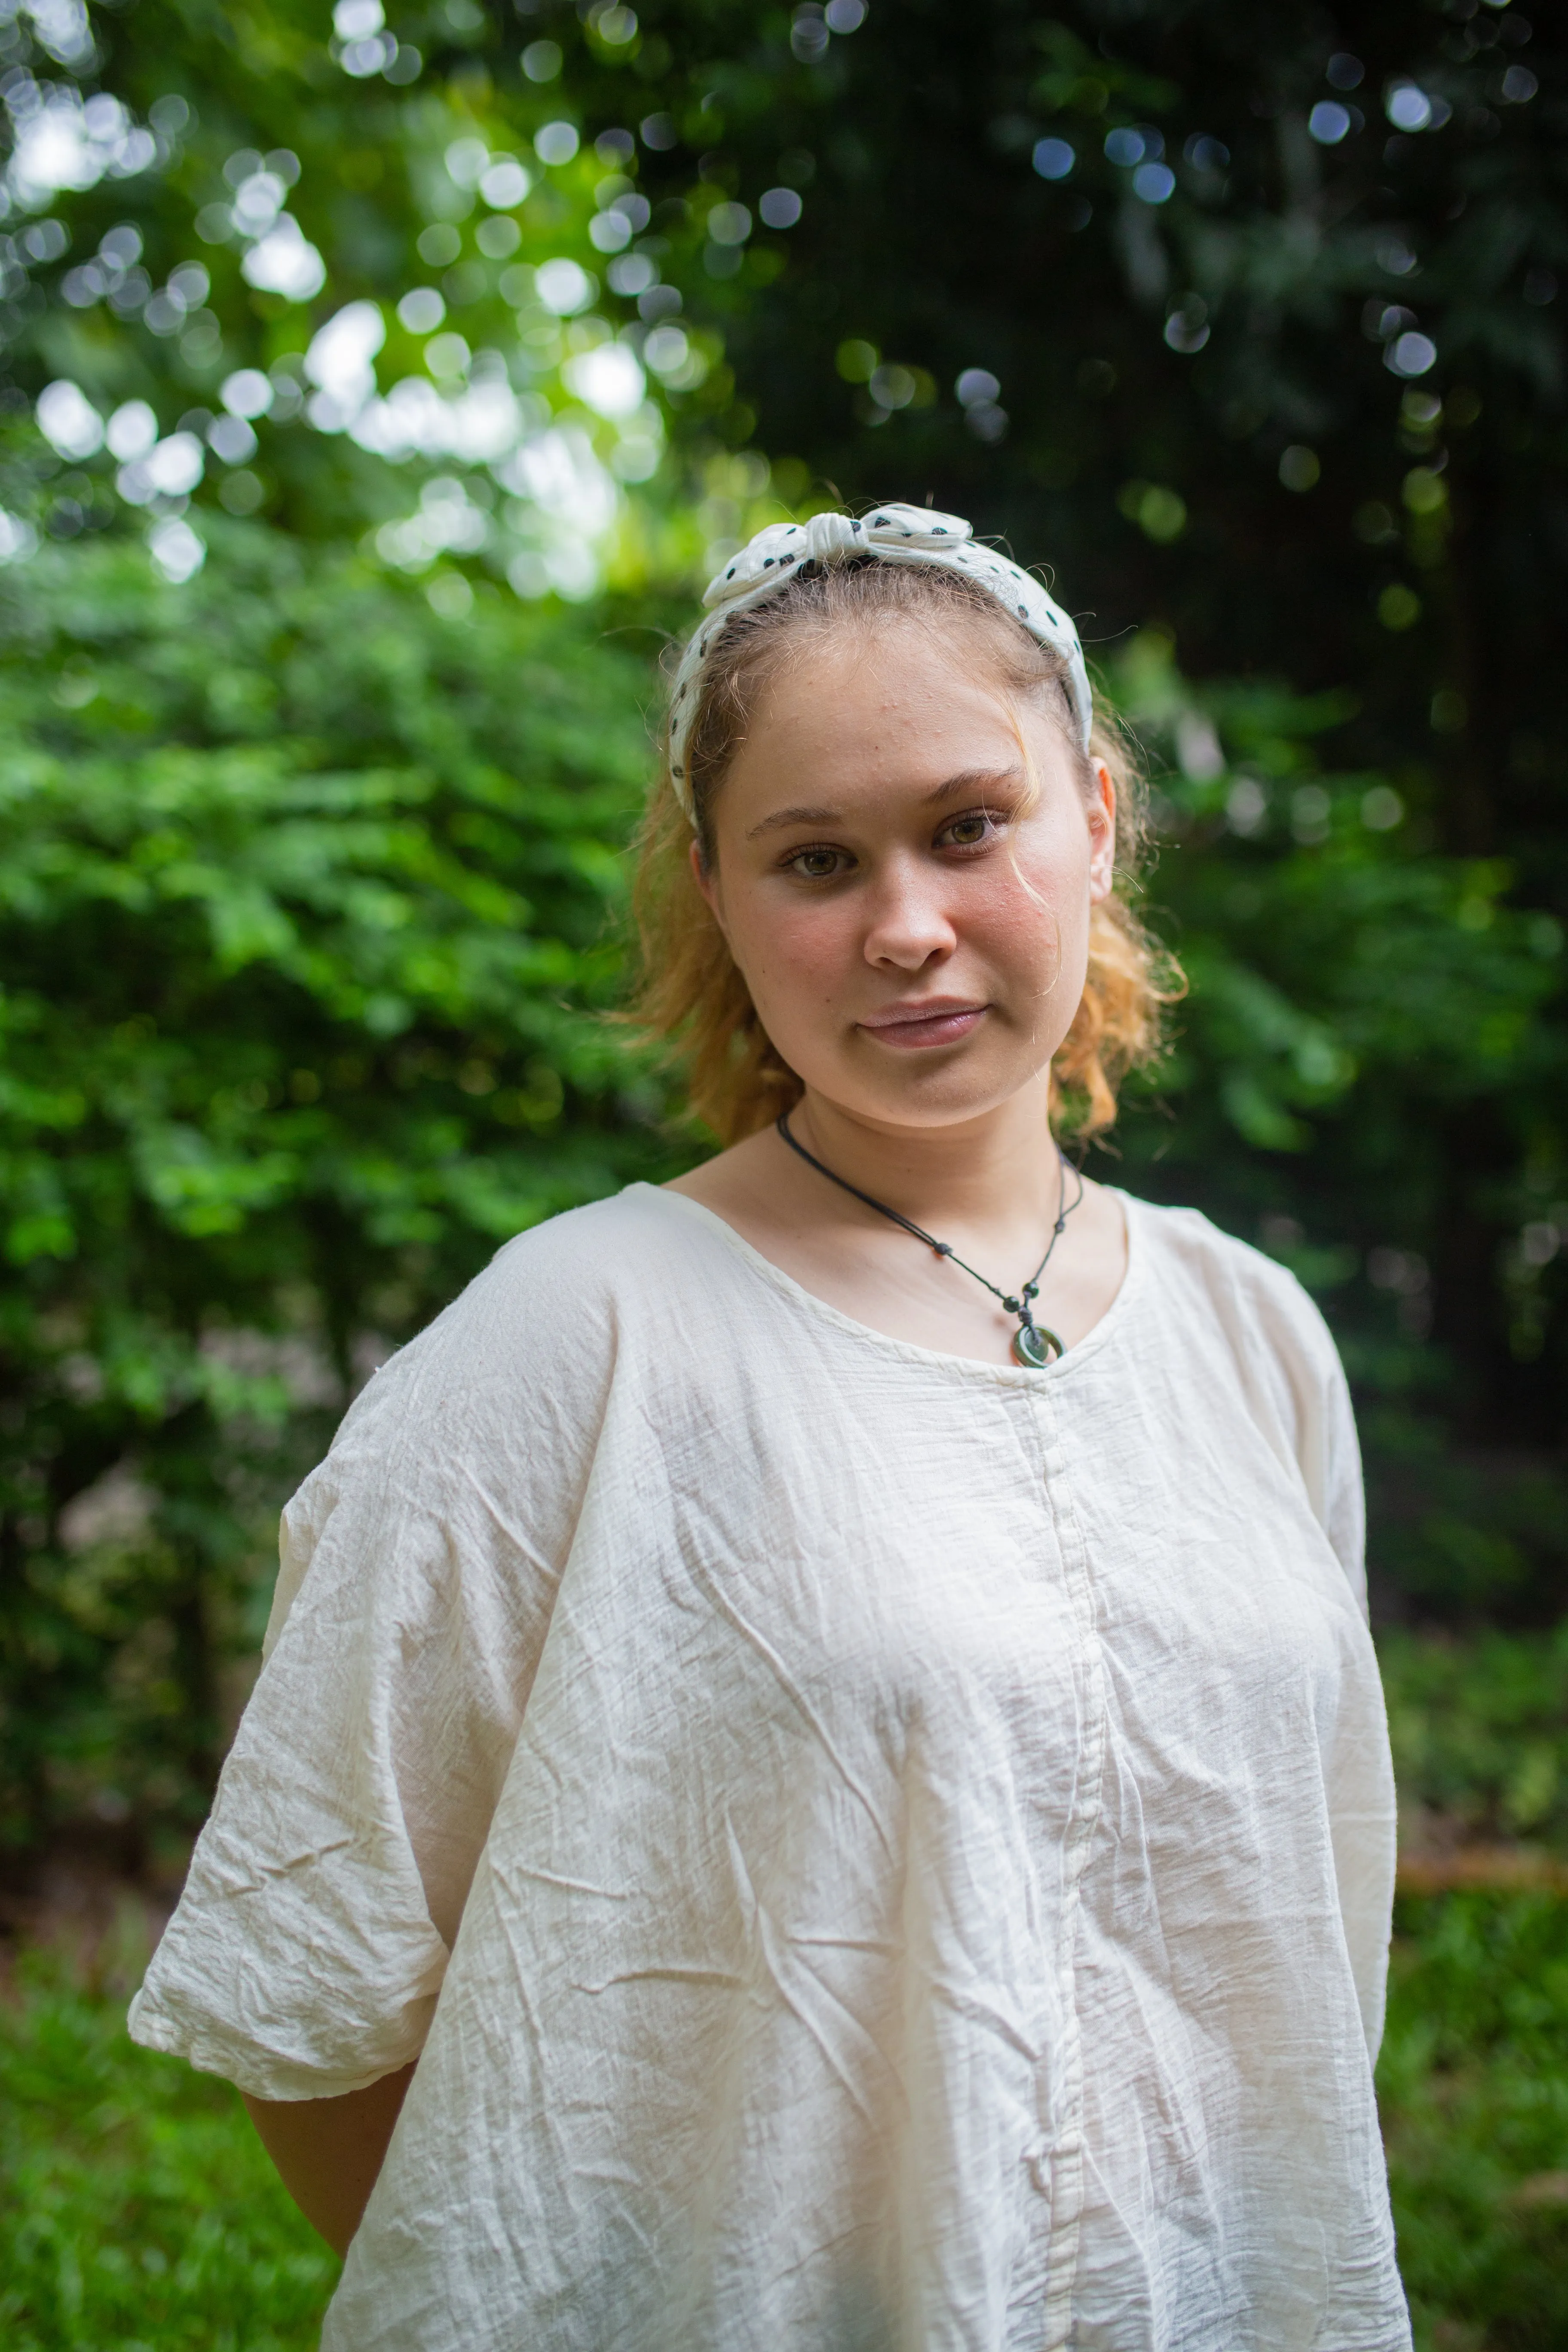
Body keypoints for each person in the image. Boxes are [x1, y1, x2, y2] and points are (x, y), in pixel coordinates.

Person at [129, 503, 1412, 2351]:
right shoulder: (579, 1339)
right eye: (816, 860)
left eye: (971, 826)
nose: (907, 928)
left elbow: (1310, 1942)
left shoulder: (1256, 1336)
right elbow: (323, 2004)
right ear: (722, 902)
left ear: (1099, 818)